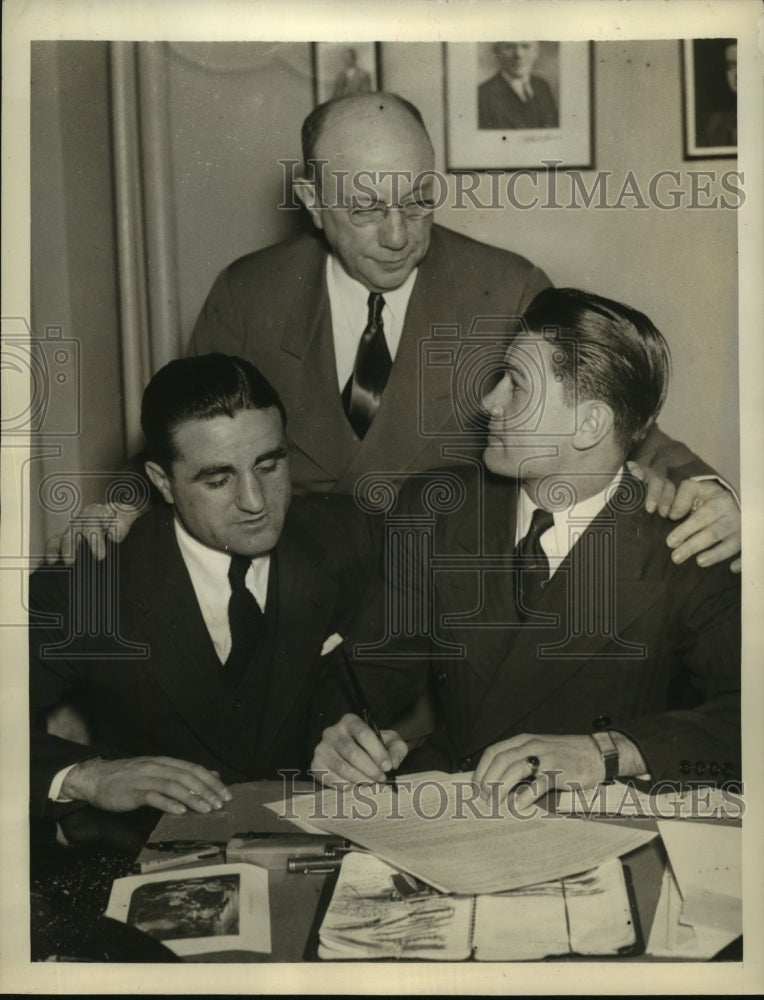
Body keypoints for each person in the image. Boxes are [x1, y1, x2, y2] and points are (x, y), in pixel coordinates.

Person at [47, 92, 741, 572]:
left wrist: (708, 489)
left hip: (450, 602)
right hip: (292, 596)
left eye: (418, 201)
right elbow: (190, 438)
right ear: (314, 203)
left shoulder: (507, 286)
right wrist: (119, 505)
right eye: (367, 208)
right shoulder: (248, 291)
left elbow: (613, 420)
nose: (399, 236)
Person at [311, 288, 740, 805]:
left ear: (589, 425)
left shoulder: (685, 541)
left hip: (605, 825)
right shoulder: (433, 510)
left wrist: (609, 751)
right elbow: (366, 675)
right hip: (455, 810)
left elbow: (746, 717)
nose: (488, 400)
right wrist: (343, 736)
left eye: (516, 385)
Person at [29, 355, 374, 824]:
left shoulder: (342, 539)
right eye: (218, 479)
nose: (255, 502)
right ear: (161, 482)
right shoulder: (92, 583)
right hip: (140, 861)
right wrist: (87, 777)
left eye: (269, 466)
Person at [478, 42, 559, 130]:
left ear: (536, 52)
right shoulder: (482, 95)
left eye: (525, 46)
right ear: (497, 53)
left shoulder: (542, 86)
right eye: (509, 47)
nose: (518, 54)